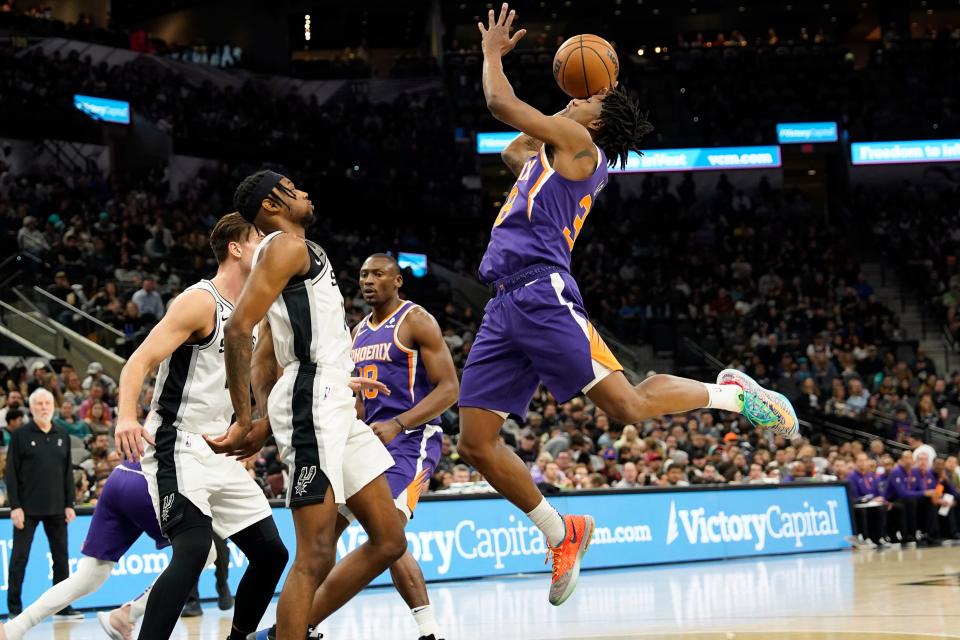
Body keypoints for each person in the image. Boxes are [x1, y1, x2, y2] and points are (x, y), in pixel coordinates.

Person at [456, 2, 800, 606]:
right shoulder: (559, 148)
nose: (576, 98)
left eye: (585, 97)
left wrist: (490, 55)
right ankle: (562, 532)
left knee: (629, 407)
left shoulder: (578, 144)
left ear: (596, 115)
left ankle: (733, 394)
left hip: (541, 294)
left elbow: (501, 107)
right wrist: (562, 109)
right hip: (503, 303)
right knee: (475, 441)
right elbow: (513, 153)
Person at [213, 171, 406, 640]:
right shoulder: (284, 247)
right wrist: (245, 419)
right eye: (293, 188)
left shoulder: (291, 251)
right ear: (272, 204)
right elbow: (240, 330)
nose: (304, 192)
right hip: (314, 400)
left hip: (329, 397)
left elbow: (264, 350)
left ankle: (289, 631)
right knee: (316, 552)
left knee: (388, 539)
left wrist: (264, 419)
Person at [114, 213, 289, 640]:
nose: (266, 248)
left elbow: (269, 376)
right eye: (258, 240)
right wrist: (126, 415)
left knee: (271, 554)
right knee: (193, 551)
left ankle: (238, 638)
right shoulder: (200, 301)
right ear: (235, 248)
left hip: (220, 448)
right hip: (178, 441)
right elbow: (139, 361)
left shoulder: (255, 310)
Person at [333, 252, 459, 640]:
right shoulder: (358, 333)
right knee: (324, 534)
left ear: (398, 280)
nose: (368, 280)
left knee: (385, 531)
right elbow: (360, 400)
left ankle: (429, 630)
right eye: (362, 275)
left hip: (410, 440)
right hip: (367, 441)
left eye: (377, 274)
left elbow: (451, 388)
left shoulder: (416, 320)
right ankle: (301, 621)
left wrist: (399, 423)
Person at [0, 460, 203, 640]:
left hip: (121, 475)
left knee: (90, 575)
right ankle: (127, 615)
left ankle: (14, 628)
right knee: (204, 550)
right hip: (152, 483)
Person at [5, 389, 80, 620]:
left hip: (58, 508)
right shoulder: (20, 435)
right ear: (31, 407)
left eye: (47, 402)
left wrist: (70, 503)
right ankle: (14, 609)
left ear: (53, 406)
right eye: (39, 403)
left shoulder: (62, 434)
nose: (44, 407)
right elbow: (11, 473)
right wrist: (15, 506)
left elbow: (67, 472)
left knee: (61, 559)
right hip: (26, 510)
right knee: (19, 559)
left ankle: (62, 608)